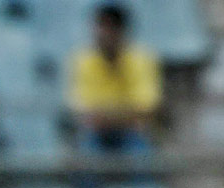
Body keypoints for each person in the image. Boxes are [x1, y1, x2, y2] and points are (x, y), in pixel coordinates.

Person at [66, 3, 161, 157]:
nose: (104, 34)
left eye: (110, 27)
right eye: (101, 27)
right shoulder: (82, 60)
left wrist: (103, 116)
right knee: (86, 154)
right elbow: (83, 112)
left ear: (121, 30)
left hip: (132, 133)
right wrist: (125, 115)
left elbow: (145, 110)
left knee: (142, 156)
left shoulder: (142, 59)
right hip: (97, 134)